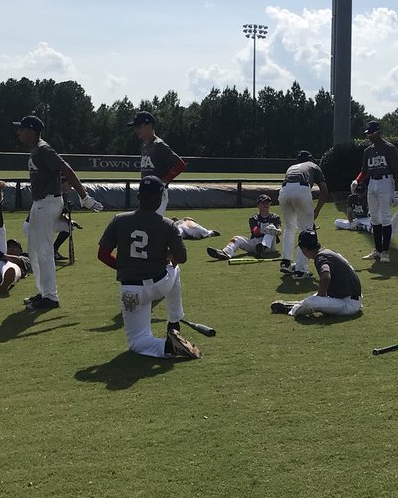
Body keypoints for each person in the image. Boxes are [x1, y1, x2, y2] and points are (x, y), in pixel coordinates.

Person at [97, 176, 201, 359]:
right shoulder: (167, 224)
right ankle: (174, 322)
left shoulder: (119, 220)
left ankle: (168, 347)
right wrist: (169, 254)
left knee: (138, 342)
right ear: (159, 198)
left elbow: (103, 255)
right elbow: (182, 258)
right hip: (159, 284)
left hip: (131, 290)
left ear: (138, 196)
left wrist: (124, 268)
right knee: (175, 269)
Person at [13, 114, 103, 311]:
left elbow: (67, 169)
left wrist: (84, 197)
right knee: (36, 251)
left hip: (48, 202)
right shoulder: (37, 149)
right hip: (40, 203)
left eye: (21, 129)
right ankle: (44, 293)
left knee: (44, 251)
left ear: (31, 130)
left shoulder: (43, 149)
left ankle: (51, 297)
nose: (19, 132)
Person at [271, 229, 363, 318]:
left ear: (304, 248)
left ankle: (291, 310)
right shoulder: (328, 252)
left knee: (310, 302)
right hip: (349, 298)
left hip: (347, 304)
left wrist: (320, 298)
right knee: (312, 298)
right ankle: (296, 304)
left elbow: (326, 276)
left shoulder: (320, 257)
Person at [352, 121, 398, 263]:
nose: (369, 136)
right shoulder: (368, 151)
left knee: (385, 217)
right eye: (368, 134)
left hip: (386, 181)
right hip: (372, 182)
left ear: (378, 132)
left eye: (371, 133)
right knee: (374, 218)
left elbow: (397, 170)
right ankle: (378, 250)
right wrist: (357, 180)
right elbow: (365, 170)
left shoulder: (390, 148)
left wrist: (397, 191)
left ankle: (385, 251)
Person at [278, 150, 329, 278]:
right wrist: (316, 210)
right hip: (301, 189)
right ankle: (301, 270)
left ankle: (286, 262)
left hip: (284, 191)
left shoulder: (292, 167)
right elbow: (324, 192)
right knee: (306, 230)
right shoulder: (313, 166)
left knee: (289, 227)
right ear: (311, 158)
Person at [128, 111, 186, 216]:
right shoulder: (145, 145)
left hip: (156, 195)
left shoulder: (159, 145)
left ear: (149, 125)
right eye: (135, 127)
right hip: (145, 194)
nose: (136, 130)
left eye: (139, 127)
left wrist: (163, 182)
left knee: (152, 227)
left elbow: (180, 165)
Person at [0, 180, 31, 297]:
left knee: (12, 267)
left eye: (15, 247)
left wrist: (3, 256)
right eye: (10, 246)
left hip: (10, 267)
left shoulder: (25, 257)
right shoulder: (1, 251)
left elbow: (21, 261)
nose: (12, 248)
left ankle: (6, 283)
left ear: (21, 250)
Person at [207, 193, 281, 261]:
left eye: (268, 203)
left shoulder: (275, 217)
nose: (266, 205)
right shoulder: (254, 218)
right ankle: (225, 253)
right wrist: (264, 230)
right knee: (237, 238)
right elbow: (255, 231)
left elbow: (279, 229)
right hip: (256, 243)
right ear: (258, 205)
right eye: (263, 203)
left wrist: (276, 231)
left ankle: (262, 247)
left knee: (271, 229)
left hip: (270, 245)